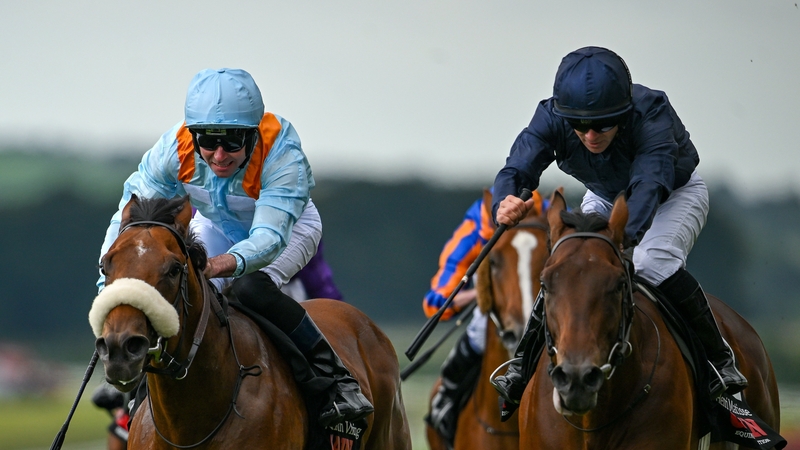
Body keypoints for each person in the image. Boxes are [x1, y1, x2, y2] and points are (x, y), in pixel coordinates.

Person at [96, 68, 372, 428]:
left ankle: (335, 379)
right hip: (215, 225)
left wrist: (224, 264)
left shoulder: (282, 152)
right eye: (208, 142)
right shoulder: (172, 149)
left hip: (288, 227)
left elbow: (268, 237)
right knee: (190, 292)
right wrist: (111, 287)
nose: (220, 154)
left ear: (254, 134)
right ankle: (143, 383)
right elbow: (125, 223)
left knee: (248, 288)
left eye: (232, 141)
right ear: (193, 135)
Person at [490, 46, 748, 418]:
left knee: (649, 264)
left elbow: (648, 185)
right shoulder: (550, 116)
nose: (591, 135)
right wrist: (505, 201)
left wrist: (620, 242)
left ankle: (719, 360)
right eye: (580, 126)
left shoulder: (652, 113)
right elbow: (518, 166)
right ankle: (521, 365)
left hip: (671, 194)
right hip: (606, 193)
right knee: (570, 267)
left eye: (604, 124)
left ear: (623, 114)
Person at [423, 188, 543, 442]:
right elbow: (436, 300)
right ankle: (445, 410)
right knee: (475, 340)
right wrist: (481, 292)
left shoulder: (549, 213)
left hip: (546, 313)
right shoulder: (479, 221)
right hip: (496, 315)